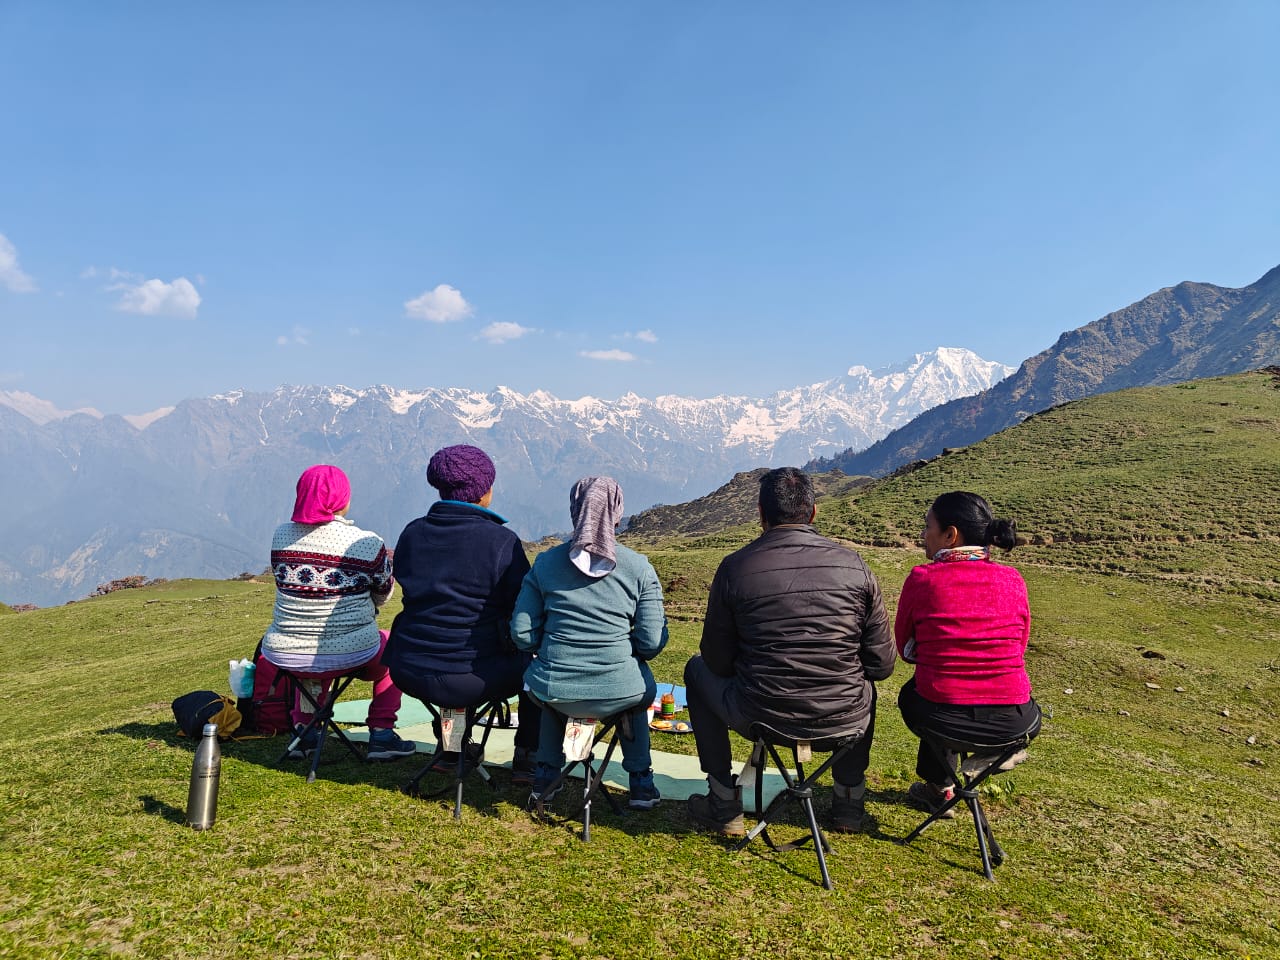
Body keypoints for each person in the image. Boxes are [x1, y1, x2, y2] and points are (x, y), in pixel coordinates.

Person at [684, 467, 895, 836]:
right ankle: (848, 803)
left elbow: (716, 660)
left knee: (696, 669)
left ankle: (723, 801)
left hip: (763, 715)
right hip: (841, 721)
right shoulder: (855, 566)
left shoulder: (736, 567)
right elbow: (881, 665)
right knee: (864, 688)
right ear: (813, 513)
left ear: (761, 515)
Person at [382, 445, 541, 782]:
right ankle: (528, 755)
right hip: (476, 673)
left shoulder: (411, 533)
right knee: (536, 665)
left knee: (451, 645)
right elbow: (524, 608)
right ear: (483, 490)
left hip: (409, 666)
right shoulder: (501, 541)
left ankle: (451, 749)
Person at [510, 476, 668, 810]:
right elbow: (652, 641)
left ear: (574, 509)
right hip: (620, 690)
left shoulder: (545, 564)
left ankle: (545, 780)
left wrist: (552, 648)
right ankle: (641, 782)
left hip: (556, 687)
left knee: (554, 690)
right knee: (634, 690)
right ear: (617, 511)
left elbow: (522, 634)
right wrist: (629, 653)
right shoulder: (639, 567)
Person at [895, 491, 1041, 816]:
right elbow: (1018, 646)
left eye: (927, 526)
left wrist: (941, 653)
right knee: (938, 689)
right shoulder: (1013, 580)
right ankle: (997, 752)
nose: (923, 534)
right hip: (1016, 720)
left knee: (921, 694)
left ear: (950, 535)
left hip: (944, 716)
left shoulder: (923, 579)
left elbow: (905, 648)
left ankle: (939, 786)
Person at [260, 464, 417, 760]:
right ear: (341, 499)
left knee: (314, 658)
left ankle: (305, 729)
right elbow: (384, 593)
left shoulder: (281, 536)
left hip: (284, 654)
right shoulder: (367, 543)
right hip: (351, 653)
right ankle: (382, 733)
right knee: (395, 646)